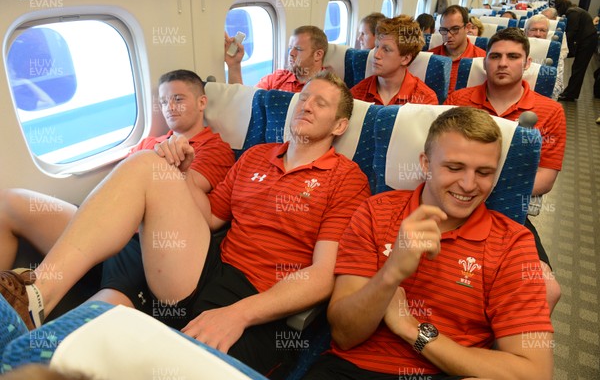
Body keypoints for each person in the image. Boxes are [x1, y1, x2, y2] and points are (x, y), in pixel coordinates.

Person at [0, 71, 371, 377]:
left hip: (258, 297)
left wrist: (239, 313)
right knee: (149, 166)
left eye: (320, 103)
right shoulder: (256, 156)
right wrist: (181, 175)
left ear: (339, 125)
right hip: (208, 266)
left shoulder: (347, 178)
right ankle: (36, 296)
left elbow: (323, 275)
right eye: (303, 97)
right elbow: (209, 218)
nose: (306, 104)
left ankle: (36, 308)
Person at [302, 107, 554, 380]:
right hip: (351, 370)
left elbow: (533, 371)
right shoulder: (375, 212)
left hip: (446, 371)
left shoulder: (512, 244)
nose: (469, 185)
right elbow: (344, 335)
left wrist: (412, 329)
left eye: (484, 172)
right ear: (425, 164)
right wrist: (390, 275)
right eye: (454, 168)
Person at [0, 69, 234, 271]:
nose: (169, 107)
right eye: (163, 102)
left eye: (178, 99)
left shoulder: (215, 148)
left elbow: (184, 193)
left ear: (201, 103)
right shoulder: (148, 143)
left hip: (143, 239)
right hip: (105, 219)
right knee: (7, 203)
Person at [445, 27, 566, 312]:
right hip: (452, 203)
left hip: (507, 212)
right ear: (484, 62)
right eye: (495, 56)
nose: (502, 63)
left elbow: (546, 177)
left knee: (547, 289)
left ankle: (510, 351)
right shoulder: (458, 101)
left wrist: (490, 189)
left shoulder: (549, 111)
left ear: (526, 64)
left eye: (513, 57)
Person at [350, 15, 438, 105]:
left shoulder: (425, 100)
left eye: (386, 50)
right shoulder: (357, 95)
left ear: (405, 59)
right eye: (376, 46)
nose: (376, 55)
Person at [225, 25, 328, 92]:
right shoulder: (276, 79)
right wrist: (234, 65)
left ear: (318, 55)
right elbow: (245, 101)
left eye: (298, 49)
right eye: (290, 48)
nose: (291, 53)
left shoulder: (329, 87)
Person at [428, 5, 486, 94]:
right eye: (444, 30)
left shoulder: (483, 59)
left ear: (467, 28)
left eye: (455, 29)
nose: (448, 35)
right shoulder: (429, 58)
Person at [549, 0, 597, 102]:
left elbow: (571, 32)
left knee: (579, 68)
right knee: (577, 67)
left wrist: (560, 46)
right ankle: (570, 92)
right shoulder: (572, 10)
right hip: (585, 39)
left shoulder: (572, 13)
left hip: (588, 41)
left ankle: (570, 94)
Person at [524, 14, 566, 99]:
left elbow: (558, 86)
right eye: (534, 29)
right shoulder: (514, 48)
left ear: (547, 33)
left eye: (543, 30)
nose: (538, 34)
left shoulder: (554, 52)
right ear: (525, 31)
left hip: (542, 97)